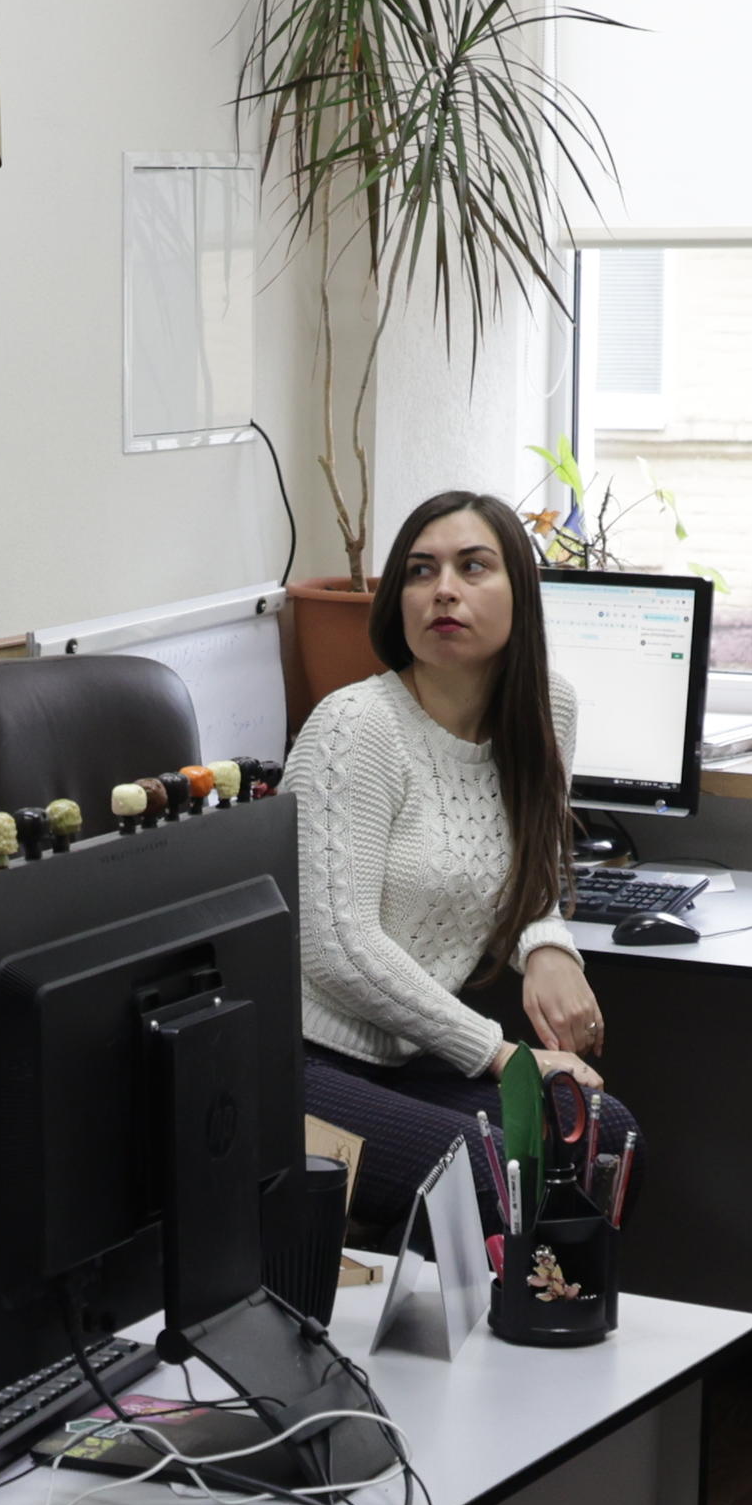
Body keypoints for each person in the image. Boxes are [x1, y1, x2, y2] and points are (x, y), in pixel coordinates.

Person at [282, 490, 637, 1251]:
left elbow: (526, 863)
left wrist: (546, 944)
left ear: (521, 594)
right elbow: (339, 949)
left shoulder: (547, 710)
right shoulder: (356, 727)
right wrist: (504, 1055)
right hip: (299, 1062)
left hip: (412, 1055)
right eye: (420, 570)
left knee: (602, 1135)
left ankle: (551, 1342)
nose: (443, 588)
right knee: (490, 1170)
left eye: (473, 566)